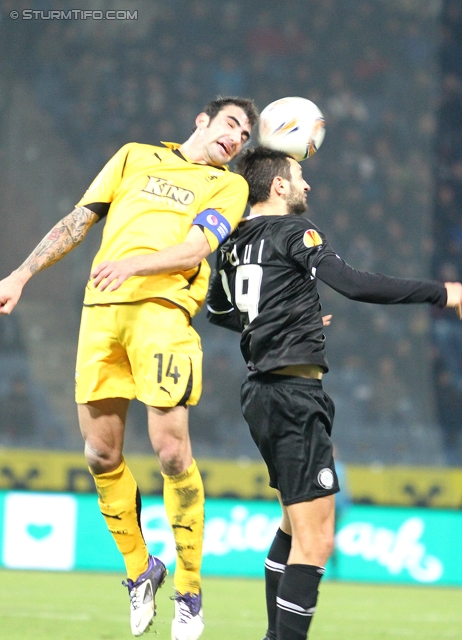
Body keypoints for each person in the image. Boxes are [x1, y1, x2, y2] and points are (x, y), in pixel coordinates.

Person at [0, 96, 259, 640]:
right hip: (101, 314)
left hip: (162, 315)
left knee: (170, 450)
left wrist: (134, 263)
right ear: (202, 120)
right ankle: (142, 571)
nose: (236, 138)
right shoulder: (134, 156)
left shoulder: (227, 186)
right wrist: (21, 275)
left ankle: (189, 591)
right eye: (231, 124)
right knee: (100, 454)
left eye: (245, 136)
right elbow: (78, 221)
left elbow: (195, 249)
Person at [206, 146, 462, 640]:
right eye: (299, 176)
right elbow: (354, 284)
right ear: (278, 185)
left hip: (260, 393)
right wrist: (443, 292)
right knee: (318, 540)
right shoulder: (294, 232)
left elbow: (219, 310)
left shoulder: (233, 242)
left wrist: (282, 318)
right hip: (293, 393)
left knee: (291, 526)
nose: (307, 185)